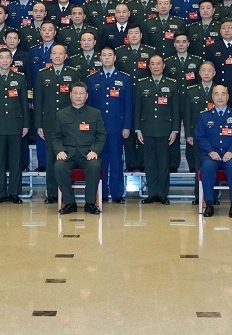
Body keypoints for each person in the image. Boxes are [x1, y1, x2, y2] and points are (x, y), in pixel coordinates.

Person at [51, 82, 106, 215]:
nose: (78, 96)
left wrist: (95, 150)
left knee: (94, 166)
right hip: (68, 154)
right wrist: (59, 150)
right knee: (59, 167)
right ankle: (69, 203)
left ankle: (90, 203)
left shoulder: (95, 113)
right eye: (75, 93)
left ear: (87, 96)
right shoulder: (61, 114)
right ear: (70, 95)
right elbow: (56, 136)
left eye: (81, 93)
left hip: (88, 153)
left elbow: (101, 135)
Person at [33, 44, 79, 203]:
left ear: (66, 56)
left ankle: (67, 193)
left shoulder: (73, 73)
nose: (57, 56)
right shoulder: (42, 74)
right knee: (51, 159)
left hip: (69, 123)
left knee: (67, 158)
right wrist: (39, 125)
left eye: (61, 54)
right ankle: (52, 193)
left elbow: (78, 99)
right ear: (50, 56)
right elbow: (38, 101)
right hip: (49, 123)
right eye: (54, 53)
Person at [0, 48, 29, 204]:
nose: (4, 60)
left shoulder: (20, 78)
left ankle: (14, 193)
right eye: (1, 58)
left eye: (7, 57)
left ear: (11, 60)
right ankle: (0, 193)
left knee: (16, 160)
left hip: (16, 124)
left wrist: (26, 125)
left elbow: (24, 103)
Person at [87, 46, 132, 203]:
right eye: (104, 55)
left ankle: (117, 192)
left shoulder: (124, 79)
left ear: (115, 58)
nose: (106, 58)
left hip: (116, 126)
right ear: (100, 58)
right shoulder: (92, 79)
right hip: (98, 128)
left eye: (109, 55)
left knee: (116, 161)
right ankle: (102, 193)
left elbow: (128, 105)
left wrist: (126, 126)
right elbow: (89, 106)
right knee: (100, 161)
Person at [194, 85, 232, 218]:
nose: (220, 97)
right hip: (211, 155)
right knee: (206, 168)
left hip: (231, 155)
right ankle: (209, 204)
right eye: (217, 94)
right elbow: (200, 137)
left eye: (223, 94)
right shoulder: (204, 116)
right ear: (212, 97)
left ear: (228, 97)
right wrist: (210, 152)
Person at [133, 54, 179, 205]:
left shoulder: (172, 84)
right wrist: (138, 129)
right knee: (150, 163)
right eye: (152, 64)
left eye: (158, 63)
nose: (156, 66)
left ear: (163, 66)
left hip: (165, 130)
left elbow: (176, 109)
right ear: (149, 66)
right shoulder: (142, 84)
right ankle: (152, 193)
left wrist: (175, 130)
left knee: (164, 163)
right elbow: (137, 108)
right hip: (147, 129)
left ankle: (163, 194)